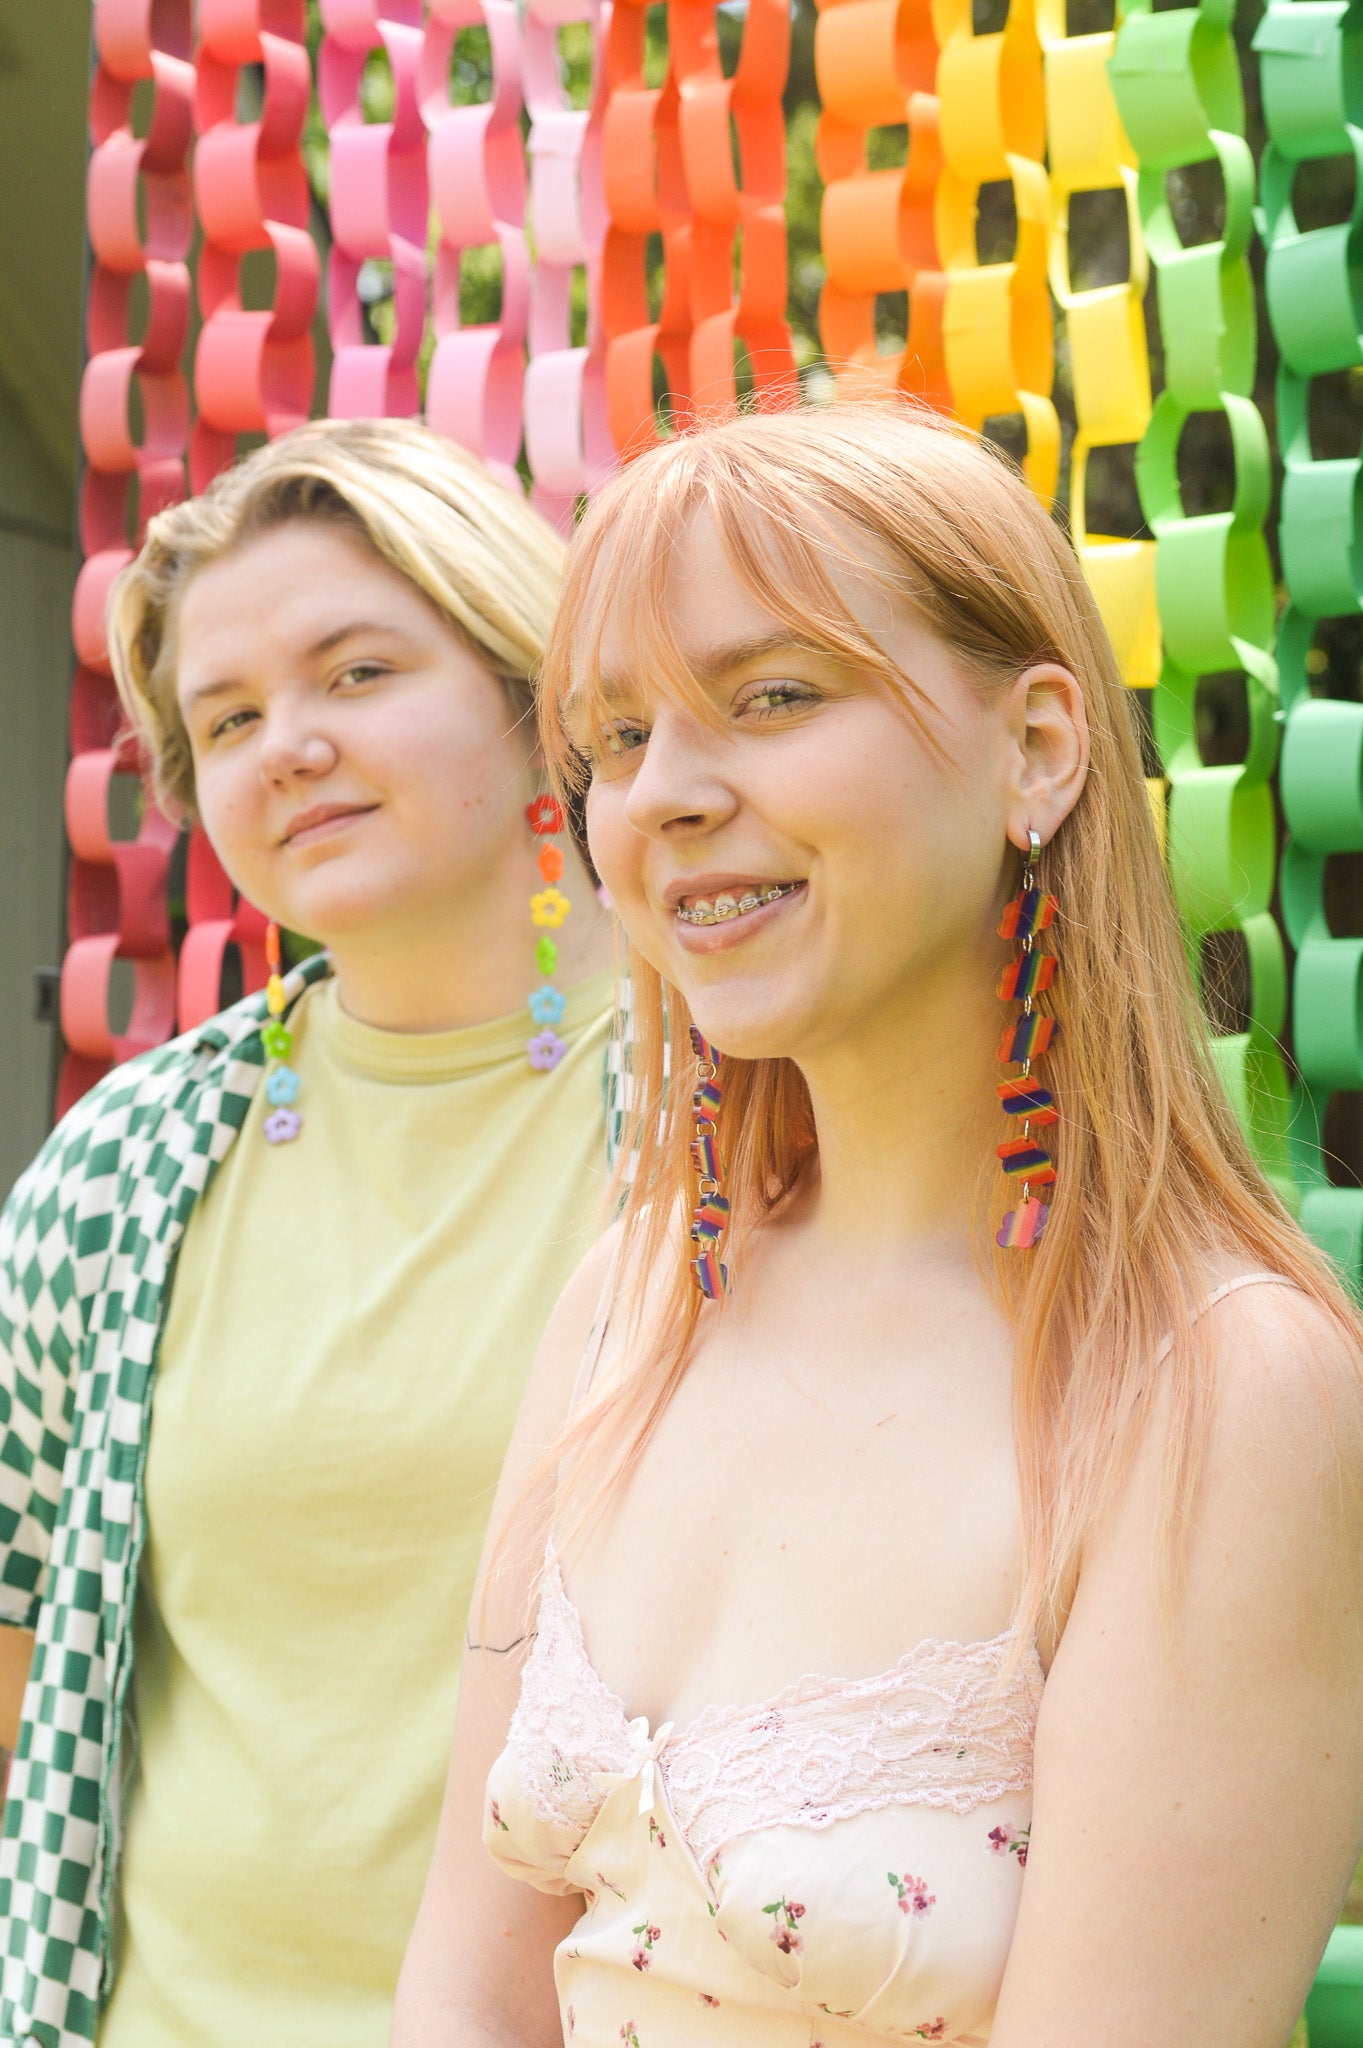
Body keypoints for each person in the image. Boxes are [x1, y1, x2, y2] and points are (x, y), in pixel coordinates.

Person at [393, 404, 1363, 2048]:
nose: (664, 795)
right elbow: (464, 1994)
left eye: (773, 696)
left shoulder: (1217, 1386)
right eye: (615, 738)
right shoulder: (633, 1301)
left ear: (1037, 748)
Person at [0, 417, 619, 2048]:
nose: (288, 745)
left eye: (357, 673)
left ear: (529, 684)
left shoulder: (751, 1108)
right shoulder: (122, 1167)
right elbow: (20, 1654)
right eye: (228, 718)